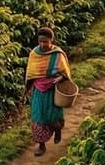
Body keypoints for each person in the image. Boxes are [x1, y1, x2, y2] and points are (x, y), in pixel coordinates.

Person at [23, 26, 71, 157]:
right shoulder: (34, 54)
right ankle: (41, 145)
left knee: (52, 117)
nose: (43, 44)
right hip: (39, 91)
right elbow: (31, 73)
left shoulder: (57, 54)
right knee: (38, 117)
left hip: (52, 91)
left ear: (51, 40)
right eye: (40, 41)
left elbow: (65, 72)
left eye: (45, 41)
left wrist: (59, 78)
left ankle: (57, 130)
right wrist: (26, 91)